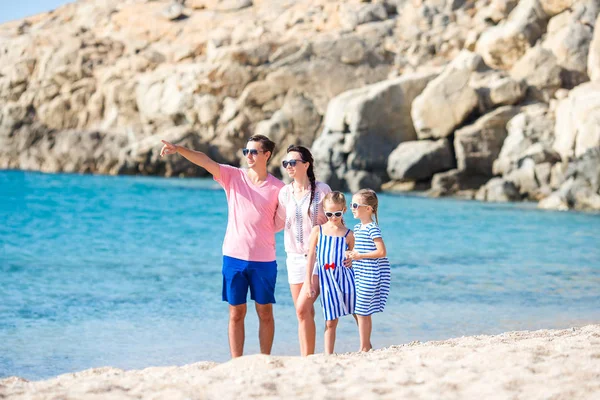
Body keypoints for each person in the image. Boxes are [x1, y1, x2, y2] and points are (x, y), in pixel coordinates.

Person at [159, 134, 285, 358]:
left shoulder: (279, 188)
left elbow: (285, 219)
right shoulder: (233, 176)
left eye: (254, 152)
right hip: (233, 257)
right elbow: (204, 161)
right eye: (246, 152)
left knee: (265, 312)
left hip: (264, 260)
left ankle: (265, 359)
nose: (249, 156)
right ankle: (237, 361)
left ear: (267, 155)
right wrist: (179, 149)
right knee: (236, 312)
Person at [277, 145, 331, 356]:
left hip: (318, 258)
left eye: (293, 163)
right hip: (293, 258)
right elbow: (280, 222)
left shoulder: (322, 190)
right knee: (304, 312)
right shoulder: (285, 193)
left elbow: (335, 219)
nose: (289, 167)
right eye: (286, 163)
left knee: (302, 308)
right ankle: (306, 358)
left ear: (306, 165)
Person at [305, 191, 355, 355]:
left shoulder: (349, 234)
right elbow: (311, 256)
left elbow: (354, 255)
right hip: (326, 280)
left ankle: (365, 345)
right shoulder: (318, 230)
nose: (333, 217)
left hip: (346, 278)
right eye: (329, 214)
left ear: (344, 210)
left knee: (358, 311)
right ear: (324, 212)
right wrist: (308, 281)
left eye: (337, 213)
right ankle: (328, 355)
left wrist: (352, 259)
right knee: (331, 320)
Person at [346, 189, 391, 352]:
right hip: (359, 274)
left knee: (362, 311)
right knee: (362, 311)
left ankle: (364, 347)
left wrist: (360, 255)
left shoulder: (372, 228)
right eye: (351, 204)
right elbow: (358, 250)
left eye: (355, 205)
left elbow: (381, 252)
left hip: (371, 275)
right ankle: (367, 344)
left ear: (368, 209)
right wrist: (350, 254)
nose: (352, 208)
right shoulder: (357, 229)